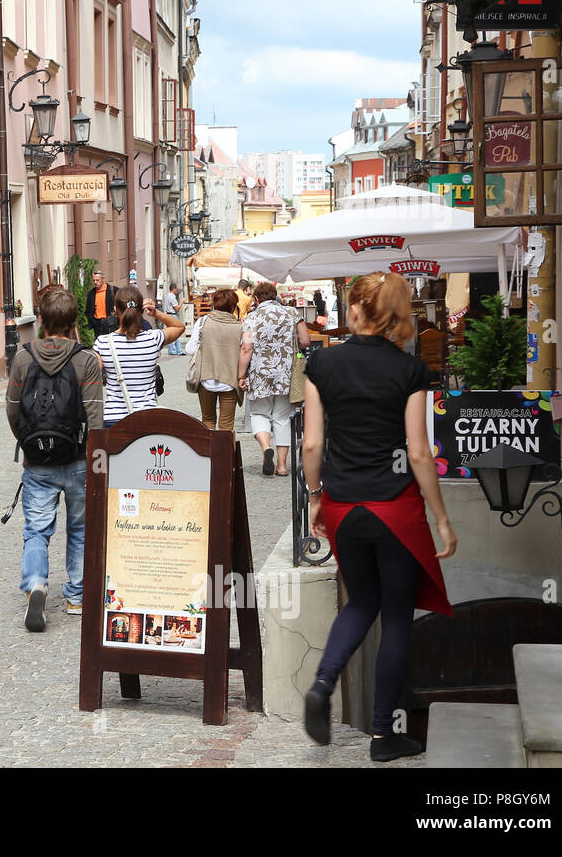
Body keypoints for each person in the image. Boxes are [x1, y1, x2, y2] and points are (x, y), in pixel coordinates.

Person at [301, 272, 457, 762]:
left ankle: (323, 683)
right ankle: (383, 735)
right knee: (395, 617)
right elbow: (417, 451)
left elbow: (311, 444)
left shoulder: (321, 363)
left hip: (345, 506)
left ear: (354, 311)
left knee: (359, 602)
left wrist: (314, 498)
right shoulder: (409, 371)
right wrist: (441, 518)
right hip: (395, 509)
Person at [6, 287, 104, 632]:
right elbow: (95, 417)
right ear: (74, 321)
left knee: (36, 529)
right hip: (78, 460)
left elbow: (13, 410)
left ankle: (35, 583)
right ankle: (77, 596)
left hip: (38, 462)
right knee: (80, 529)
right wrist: (96, 461)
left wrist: (28, 445)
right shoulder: (87, 359)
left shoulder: (22, 358)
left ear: (42, 320)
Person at [238, 281, 310, 476]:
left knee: (259, 414)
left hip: (260, 374)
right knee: (282, 418)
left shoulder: (251, 318)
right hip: (286, 373)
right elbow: (305, 341)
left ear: (256, 299)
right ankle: (281, 466)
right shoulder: (292, 313)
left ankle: (265, 448)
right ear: (275, 296)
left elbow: (246, 348)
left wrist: (241, 375)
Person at [93, 287, 185, 428]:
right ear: (141, 310)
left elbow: (91, 373)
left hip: (113, 419)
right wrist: (156, 313)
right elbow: (179, 327)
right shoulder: (153, 338)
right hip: (147, 417)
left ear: (115, 310)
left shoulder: (103, 342)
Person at [185, 288, 244, 431]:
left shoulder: (203, 321)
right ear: (233, 307)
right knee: (226, 426)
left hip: (205, 379)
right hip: (230, 381)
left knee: (208, 421)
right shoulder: (241, 327)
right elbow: (244, 355)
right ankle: (224, 454)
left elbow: (190, 349)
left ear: (215, 304)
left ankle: (208, 453)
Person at [84, 270, 119, 340]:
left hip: (111, 323)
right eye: (93, 280)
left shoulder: (114, 290)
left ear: (103, 279)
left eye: (97, 280)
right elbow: (88, 310)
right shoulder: (91, 293)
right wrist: (93, 322)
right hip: (97, 324)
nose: (95, 282)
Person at [162, 283, 186, 356]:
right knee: (175, 333)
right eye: (176, 289)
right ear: (174, 289)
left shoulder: (167, 296)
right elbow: (176, 308)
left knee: (172, 333)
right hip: (173, 315)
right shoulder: (172, 297)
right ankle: (174, 350)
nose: (177, 290)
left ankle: (176, 350)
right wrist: (181, 302)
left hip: (168, 315)